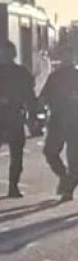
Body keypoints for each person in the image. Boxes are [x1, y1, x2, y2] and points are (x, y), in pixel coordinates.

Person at [0, 41, 36, 198]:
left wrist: (32, 115)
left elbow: (30, 97)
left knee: (13, 153)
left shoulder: (19, 73)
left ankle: (11, 185)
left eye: (6, 53)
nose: (3, 56)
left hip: (12, 115)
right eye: (2, 53)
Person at [39, 46, 78, 200]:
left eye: (69, 55)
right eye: (64, 55)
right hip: (57, 119)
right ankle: (65, 177)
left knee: (74, 158)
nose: (66, 59)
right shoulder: (55, 77)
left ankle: (68, 189)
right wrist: (39, 109)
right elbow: (44, 96)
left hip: (75, 121)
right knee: (50, 151)